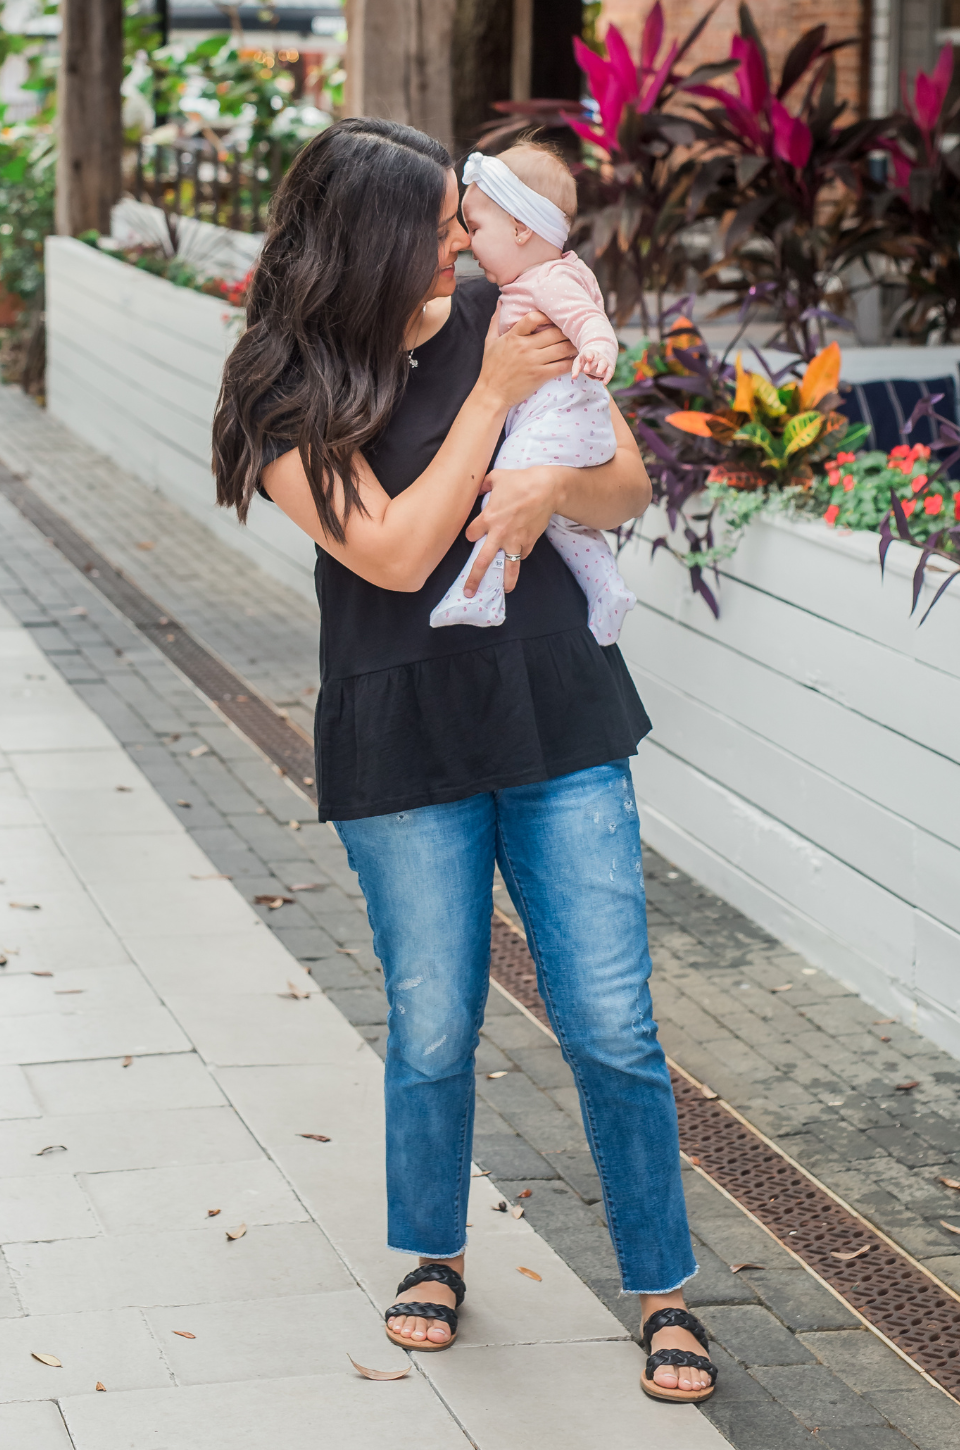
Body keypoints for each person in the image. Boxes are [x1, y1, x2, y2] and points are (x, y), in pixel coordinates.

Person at [213, 117, 717, 1405]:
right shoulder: (283, 385)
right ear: (370, 239)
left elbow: (623, 488)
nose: (467, 230)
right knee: (433, 1020)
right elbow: (388, 550)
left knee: (613, 1020)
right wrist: (494, 403)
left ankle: (664, 1287)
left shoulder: (512, 302)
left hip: (559, 711)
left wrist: (553, 489)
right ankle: (432, 1253)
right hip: (403, 732)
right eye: (442, 216)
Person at [429, 143, 636, 646]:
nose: (466, 242)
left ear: (521, 229)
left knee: (511, 483)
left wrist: (597, 350)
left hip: (561, 418)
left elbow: (590, 321)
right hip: (557, 420)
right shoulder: (535, 282)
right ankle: (606, 586)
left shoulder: (549, 280)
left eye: (474, 228)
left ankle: (481, 593)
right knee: (566, 528)